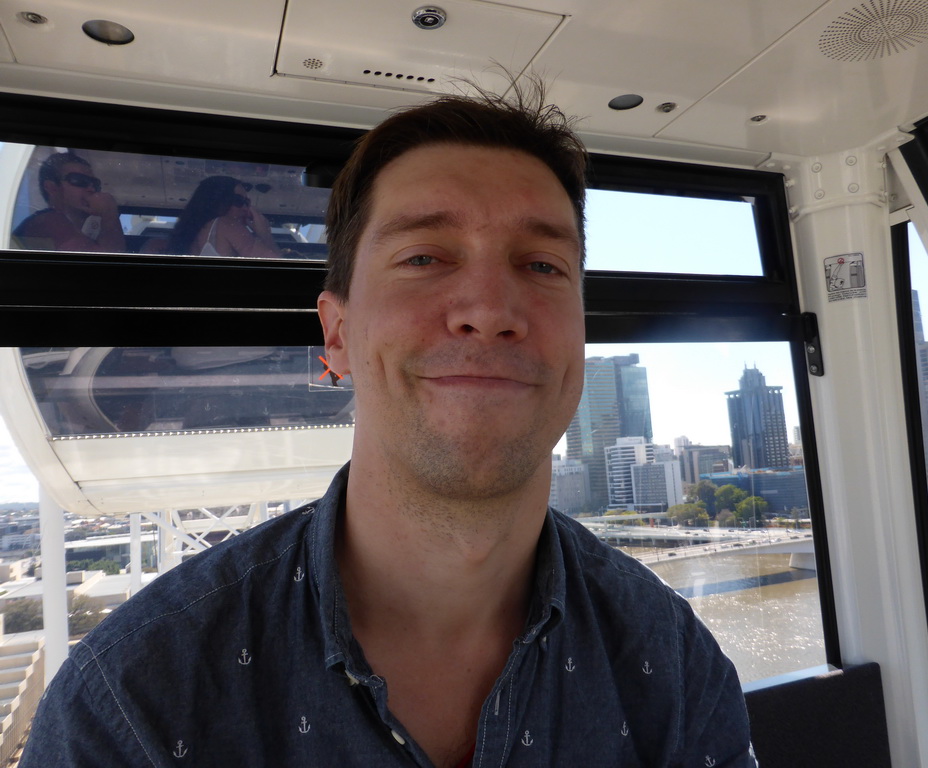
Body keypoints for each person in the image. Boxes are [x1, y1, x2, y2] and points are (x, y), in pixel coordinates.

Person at [21, 83, 757, 767]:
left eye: (542, 266)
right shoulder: (131, 708)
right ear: (335, 336)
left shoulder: (676, 664)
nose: (491, 309)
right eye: (425, 256)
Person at [12, 151, 126, 252]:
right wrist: (109, 213)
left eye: (94, 184)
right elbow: (104, 264)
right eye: (79, 180)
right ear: (52, 188)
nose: (91, 189)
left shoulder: (82, 228)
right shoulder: (48, 221)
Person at [165, 175, 281, 258]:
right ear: (218, 201)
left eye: (247, 202)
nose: (246, 208)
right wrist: (265, 233)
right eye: (238, 201)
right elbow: (278, 267)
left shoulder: (195, 234)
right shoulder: (226, 224)